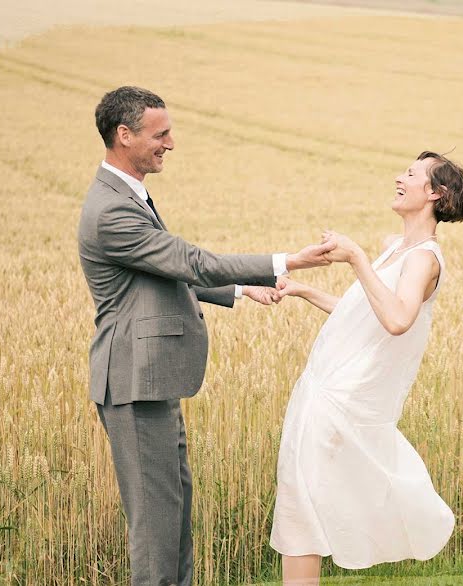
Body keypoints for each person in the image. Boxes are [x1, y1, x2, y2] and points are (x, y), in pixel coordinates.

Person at [77, 86, 335, 586]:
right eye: (161, 133)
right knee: (155, 531)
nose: (170, 142)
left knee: (173, 522)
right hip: (132, 384)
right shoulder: (110, 210)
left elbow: (164, 272)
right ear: (123, 135)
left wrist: (240, 289)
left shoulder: (126, 194)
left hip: (152, 381)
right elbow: (188, 261)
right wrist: (287, 262)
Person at [269, 151, 463, 584]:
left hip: (341, 400)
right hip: (323, 390)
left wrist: (357, 259)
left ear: (434, 194)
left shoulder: (423, 258)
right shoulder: (397, 249)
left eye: (411, 174)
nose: (399, 178)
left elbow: (398, 319)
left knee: (300, 516)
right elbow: (363, 312)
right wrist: (303, 290)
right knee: (298, 508)